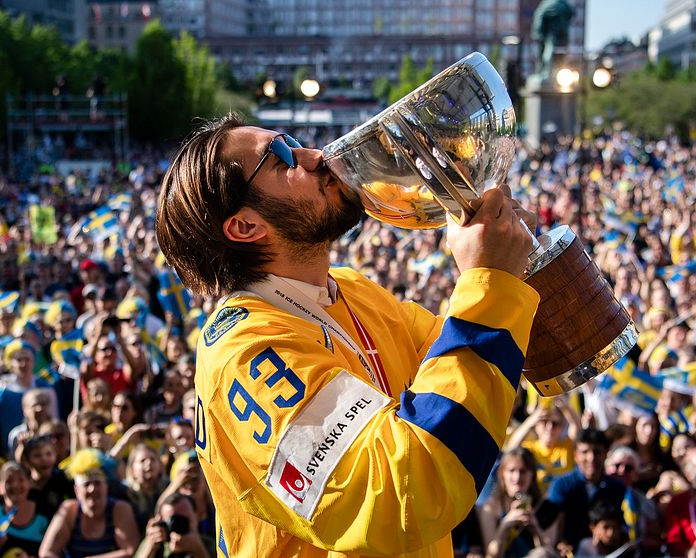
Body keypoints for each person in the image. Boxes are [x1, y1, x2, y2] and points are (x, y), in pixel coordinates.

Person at [154, 115, 537, 556]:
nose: (315, 156)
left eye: (294, 142)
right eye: (280, 158)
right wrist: (487, 283)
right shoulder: (242, 351)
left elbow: (472, 375)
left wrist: (512, 262)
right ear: (245, 226)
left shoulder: (348, 288)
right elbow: (402, 492)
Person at [535, 429, 625, 550]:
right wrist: (559, 543)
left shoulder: (616, 488)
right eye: (585, 452)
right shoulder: (562, 485)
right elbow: (551, 523)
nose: (591, 458)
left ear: (605, 454)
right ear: (576, 455)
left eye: (597, 452)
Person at [38, 464, 140, 558]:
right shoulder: (69, 510)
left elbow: (131, 551)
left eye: (97, 483)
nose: (92, 489)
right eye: (86, 484)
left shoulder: (120, 509)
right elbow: (46, 553)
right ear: (76, 490)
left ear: (106, 487)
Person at [477, 447, 543, 558]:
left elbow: (549, 553)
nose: (517, 477)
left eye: (523, 471)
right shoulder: (490, 507)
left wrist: (535, 529)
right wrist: (505, 524)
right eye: (512, 471)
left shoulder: (542, 505)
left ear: (532, 474)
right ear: (502, 474)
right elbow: (491, 556)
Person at [0, 461, 50, 557]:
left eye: (21, 480)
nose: (15, 485)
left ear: (29, 483)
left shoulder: (44, 515)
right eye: (9, 481)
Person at [135, 492, 212, 558]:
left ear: (196, 517)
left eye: (183, 520)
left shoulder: (208, 544)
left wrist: (198, 549)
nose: (178, 525)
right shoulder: (155, 544)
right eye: (172, 521)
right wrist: (150, 548)